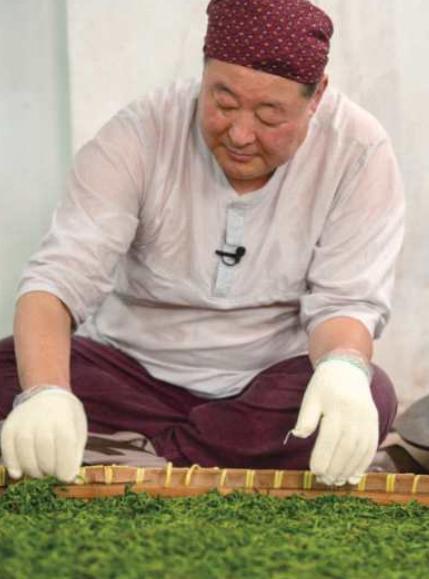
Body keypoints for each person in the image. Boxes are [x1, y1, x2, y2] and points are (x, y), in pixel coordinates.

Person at [0, 0, 404, 485]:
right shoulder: (140, 134)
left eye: (270, 115)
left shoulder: (358, 150)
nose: (239, 134)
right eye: (223, 102)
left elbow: (345, 303)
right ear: (204, 73)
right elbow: (57, 279)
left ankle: (134, 456)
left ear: (316, 97)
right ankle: (201, 458)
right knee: (14, 368)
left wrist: (340, 370)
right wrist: (45, 392)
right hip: (130, 374)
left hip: (261, 389)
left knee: (369, 393)